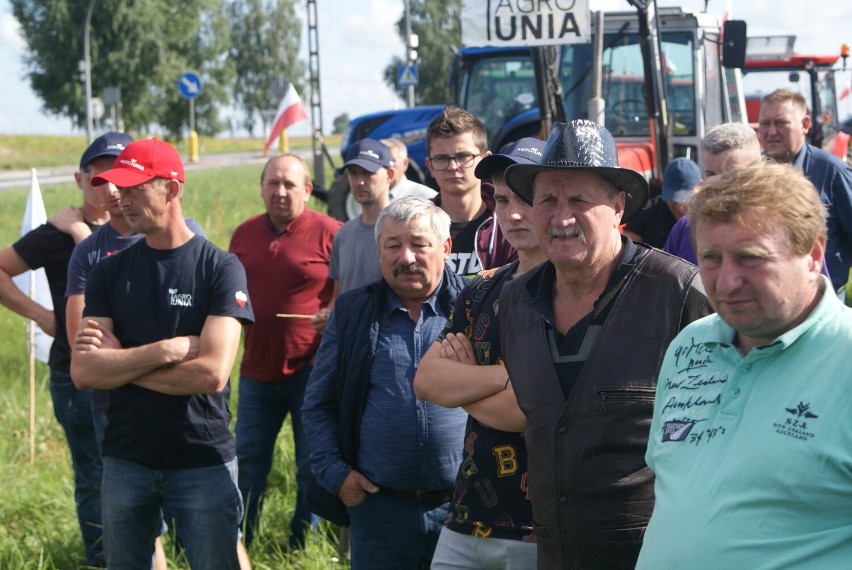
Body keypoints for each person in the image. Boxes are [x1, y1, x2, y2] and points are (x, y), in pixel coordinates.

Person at [497, 120, 711, 569]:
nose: (561, 217)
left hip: (658, 556)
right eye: (548, 200)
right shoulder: (515, 303)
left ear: (618, 207)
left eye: (579, 200)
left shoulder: (678, 293)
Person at [637, 161, 852, 568]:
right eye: (711, 257)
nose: (725, 281)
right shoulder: (689, 344)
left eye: (750, 257)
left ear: (813, 254)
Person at [70, 138, 254, 569]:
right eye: (118, 187)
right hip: (124, 459)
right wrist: (168, 350)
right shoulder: (108, 271)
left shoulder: (220, 268)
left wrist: (121, 363)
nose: (120, 197)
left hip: (201, 460)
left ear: (171, 189)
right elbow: (83, 370)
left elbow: (211, 373)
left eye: (134, 187)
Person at [302, 197, 468, 569]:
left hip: (466, 511)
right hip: (379, 511)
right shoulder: (351, 313)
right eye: (393, 245)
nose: (406, 257)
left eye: (419, 244)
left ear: (445, 248)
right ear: (379, 251)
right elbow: (318, 404)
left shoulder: (476, 308)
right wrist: (336, 475)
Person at [413, 137, 546, 570]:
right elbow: (427, 380)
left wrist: (465, 382)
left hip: (537, 528)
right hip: (466, 516)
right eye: (503, 200)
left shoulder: (574, 294)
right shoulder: (481, 289)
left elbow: (529, 411)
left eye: (527, 199)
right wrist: (504, 377)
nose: (513, 214)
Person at [0, 131, 127, 567]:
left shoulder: (141, 227)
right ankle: (103, 557)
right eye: (99, 175)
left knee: (139, 469)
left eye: (120, 173)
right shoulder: (56, 233)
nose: (109, 185)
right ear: (80, 178)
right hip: (76, 376)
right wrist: (41, 315)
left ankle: (147, 550)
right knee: (94, 474)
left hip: (135, 371)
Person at [228, 153, 339, 550]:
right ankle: (240, 540)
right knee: (247, 462)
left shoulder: (331, 232)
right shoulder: (242, 235)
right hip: (256, 369)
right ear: (261, 187)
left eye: (290, 184)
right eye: (273, 183)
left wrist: (333, 313)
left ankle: (301, 544)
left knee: (310, 464)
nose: (280, 191)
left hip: (311, 371)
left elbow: (349, 295)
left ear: (308, 190)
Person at [758, 88, 852, 288]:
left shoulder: (833, 172)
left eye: (781, 123)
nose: (771, 131)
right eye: (765, 123)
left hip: (824, 301)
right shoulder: (751, 175)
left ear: (805, 124)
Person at [425, 105, 516, 277]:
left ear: (485, 160)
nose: (452, 167)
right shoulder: (418, 227)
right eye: (442, 158)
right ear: (430, 166)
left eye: (463, 157)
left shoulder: (511, 222)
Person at [664, 122, 762, 264]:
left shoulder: (780, 229)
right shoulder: (685, 229)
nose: (718, 185)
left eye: (730, 175)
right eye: (711, 174)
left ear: (758, 173)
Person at [623, 157, 701, 248]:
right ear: (663, 186)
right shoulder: (645, 211)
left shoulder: (707, 215)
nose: (678, 205)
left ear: (700, 186)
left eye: (684, 198)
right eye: (673, 198)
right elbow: (627, 249)